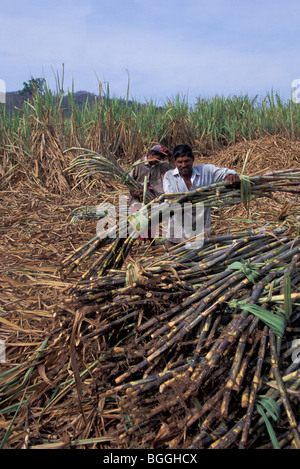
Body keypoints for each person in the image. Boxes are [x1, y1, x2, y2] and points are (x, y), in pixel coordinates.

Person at [163, 144, 240, 249]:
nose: (183, 165)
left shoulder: (206, 171)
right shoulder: (169, 176)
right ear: (174, 161)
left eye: (187, 161)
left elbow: (226, 172)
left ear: (193, 159)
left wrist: (231, 176)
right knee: (174, 262)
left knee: (199, 262)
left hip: (200, 233)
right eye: (180, 162)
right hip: (177, 235)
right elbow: (171, 201)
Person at [128, 144, 174, 241]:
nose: (160, 160)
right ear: (152, 154)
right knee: (138, 223)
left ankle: (149, 244)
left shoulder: (158, 165)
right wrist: (134, 192)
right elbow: (128, 181)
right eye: (159, 158)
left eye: (162, 158)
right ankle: (138, 244)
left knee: (150, 222)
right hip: (138, 199)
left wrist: (170, 155)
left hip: (153, 199)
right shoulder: (138, 165)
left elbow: (173, 168)